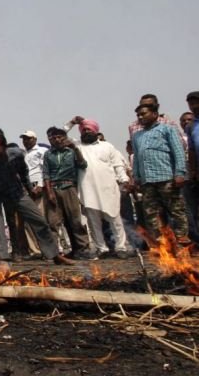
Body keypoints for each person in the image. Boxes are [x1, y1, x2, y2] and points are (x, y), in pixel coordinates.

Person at [0, 131, 73, 265]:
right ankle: (3, 258)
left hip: (14, 190)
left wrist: (29, 189)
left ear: (5, 146)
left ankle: (54, 255)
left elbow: (23, 173)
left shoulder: (17, 155)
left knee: (38, 219)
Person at [66, 117, 131, 258]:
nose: (86, 132)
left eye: (89, 129)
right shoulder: (77, 146)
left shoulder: (107, 146)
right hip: (87, 189)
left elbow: (117, 164)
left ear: (96, 131)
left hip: (108, 188)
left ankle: (121, 247)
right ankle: (102, 248)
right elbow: (61, 135)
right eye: (83, 130)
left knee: (115, 219)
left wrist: (124, 179)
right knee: (93, 222)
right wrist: (72, 123)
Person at [131, 103, 189, 245]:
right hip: (147, 182)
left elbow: (178, 152)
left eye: (143, 113)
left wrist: (180, 173)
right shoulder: (137, 135)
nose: (140, 117)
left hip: (167, 178)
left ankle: (182, 237)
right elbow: (137, 158)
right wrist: (136, 177)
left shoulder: (167, 129)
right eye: (138, 115)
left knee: (176, 210)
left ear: (155, 114)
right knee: (151, 213)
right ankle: (161, 242)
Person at [42, 127, 93, 259]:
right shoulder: (48, 154)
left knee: (75, 220)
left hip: (69, 187)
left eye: (60, 137)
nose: (57, 140)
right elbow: (46, 174)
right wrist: (50, 192)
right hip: (53, 188)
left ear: (65, 138)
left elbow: (83, 165)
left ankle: (82, 249)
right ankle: (52, 253)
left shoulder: (71, 151)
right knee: (53, 222)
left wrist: (75, 149)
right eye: (54, 138)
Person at [18, 130, 47, 259]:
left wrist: (41, 185)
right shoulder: (23, 154)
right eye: (24, 139)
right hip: (26, 187)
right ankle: (35, 251)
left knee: (41, 219)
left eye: (28, 138)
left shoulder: (41, 151)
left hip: (38, 186)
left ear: (34, 139)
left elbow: (44, 169)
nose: (26, 141)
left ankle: (47, 249)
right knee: (27, 221)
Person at [184, 92, 199, 242]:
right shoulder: (191, 126)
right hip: (197, 172)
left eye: (196, 103)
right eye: (191, 104)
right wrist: (194, 171)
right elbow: (192, 150)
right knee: (193, 211)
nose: (194, 107)